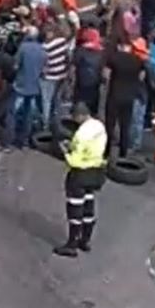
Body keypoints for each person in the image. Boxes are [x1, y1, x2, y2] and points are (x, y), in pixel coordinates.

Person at [53, 102, 108, 258]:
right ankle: (85, 240)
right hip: (96, 172)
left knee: (75, 209)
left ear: (79, 116)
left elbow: (74, 161)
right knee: (89, 205)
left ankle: (72, 245)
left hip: (80, 174)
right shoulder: (99, 126)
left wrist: (65, 151)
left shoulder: (81, 134)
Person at [2, 26, 46, 151]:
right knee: (28, 115)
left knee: (12, 113)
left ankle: (8, 142)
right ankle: (24, 142)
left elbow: (15, 66)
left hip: (20, 86)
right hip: (34, 87)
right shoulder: (42, 51)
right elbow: (43, 70)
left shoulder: (23, 48)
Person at [104, 36, 148, 157]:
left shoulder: (113, 58)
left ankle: (106, 152)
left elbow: (106, 76)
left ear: (120, 46)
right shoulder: (138, 61)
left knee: (110, 125)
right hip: (129, 97)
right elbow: (141, 78)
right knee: (125, 126)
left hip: (114, 95)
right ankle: (122, 154)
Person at [40, 22, 72, 131]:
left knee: (46, 101)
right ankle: (56, 121)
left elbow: (44, 64)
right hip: (61, 75)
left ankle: (45, 124)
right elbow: (67, 57)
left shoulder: (44, 47)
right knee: (56, 99)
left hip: (49, 77)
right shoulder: (62, 42)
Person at [71, 28, 104, 115]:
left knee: (80, 103)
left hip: (81, 81)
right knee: (93, 104)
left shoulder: (80, 50)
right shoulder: (101, 51)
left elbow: (74, 64)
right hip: (95, 82)